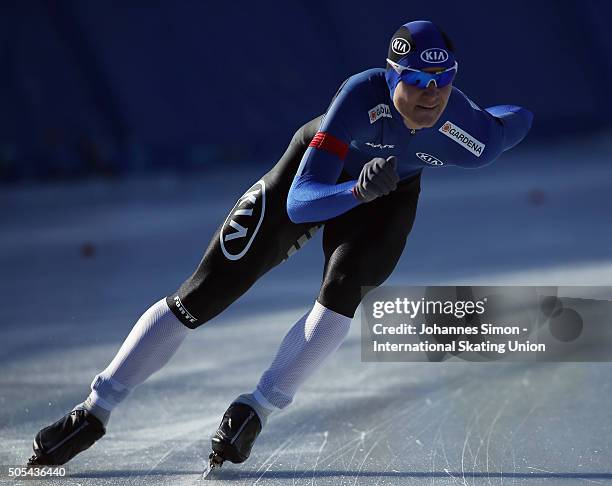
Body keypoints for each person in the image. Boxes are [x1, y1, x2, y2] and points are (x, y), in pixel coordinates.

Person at [27, 20, 533, 469]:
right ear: (393, 76)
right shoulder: (361, 97)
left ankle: (258, 408)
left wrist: (475, 117)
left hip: (389, 193)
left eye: (443, 83)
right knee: (202, 295)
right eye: (418, 82)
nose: (431, 95)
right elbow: (300, 202)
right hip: (315, 177)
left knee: (343, 291)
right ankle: (95, 410)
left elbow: (515, 121)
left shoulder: (469, 134)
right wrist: (354, 189)